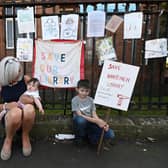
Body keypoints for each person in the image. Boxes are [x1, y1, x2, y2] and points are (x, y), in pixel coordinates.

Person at [0, 56, 36, 160]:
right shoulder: (1, 84)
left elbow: (37, 98)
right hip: (10, 117)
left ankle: (25, 136)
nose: (19, 73)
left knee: (29, 108)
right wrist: (6, 106)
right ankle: (8, 139)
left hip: (25, 117)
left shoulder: (25, 80)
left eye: (20, 69)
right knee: (15, 113)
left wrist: (30, 99)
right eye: (16, 71)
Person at [71, 79, 115, 146]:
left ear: (89, 91)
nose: (84, 93)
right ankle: (80, 137)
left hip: (91, 122)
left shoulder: (91, 100)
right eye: (82, 90)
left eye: (86, 91)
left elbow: (94, 114)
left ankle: (91, 137)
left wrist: (102, 123)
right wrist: (97, 121)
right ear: (77, 89)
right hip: (80, 122)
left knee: (111, 134)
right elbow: (80, 115)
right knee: (81, 120)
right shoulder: (75, 100)